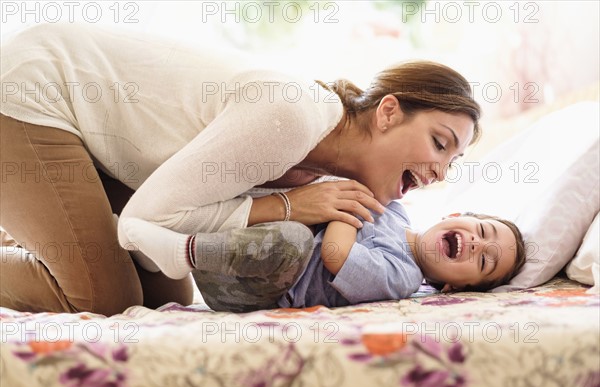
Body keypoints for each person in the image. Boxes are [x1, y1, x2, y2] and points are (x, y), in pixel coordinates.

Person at [0, 23, 480, 315]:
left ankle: (25, 228)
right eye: (440, 143)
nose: (439, 171)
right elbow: (144, 222)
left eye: (452, 163)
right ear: (389, 111)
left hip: (110, 142)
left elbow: (182, 222)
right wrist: (288, 207)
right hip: (38, 90)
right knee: (103, 298)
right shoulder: (290, 119)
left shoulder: (318, 170)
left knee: (161, 295)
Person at [119, 201, 526, 313]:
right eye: (483, 232)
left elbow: (334, 254)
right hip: (232, 246)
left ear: (455, 286)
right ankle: (160, 251)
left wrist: (345, 204)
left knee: (294, 242)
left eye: (485, 261)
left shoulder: (402, 277)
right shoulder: (393, 208)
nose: (476, 244)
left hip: (251, 289)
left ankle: (179, 254)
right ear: (456, 216)